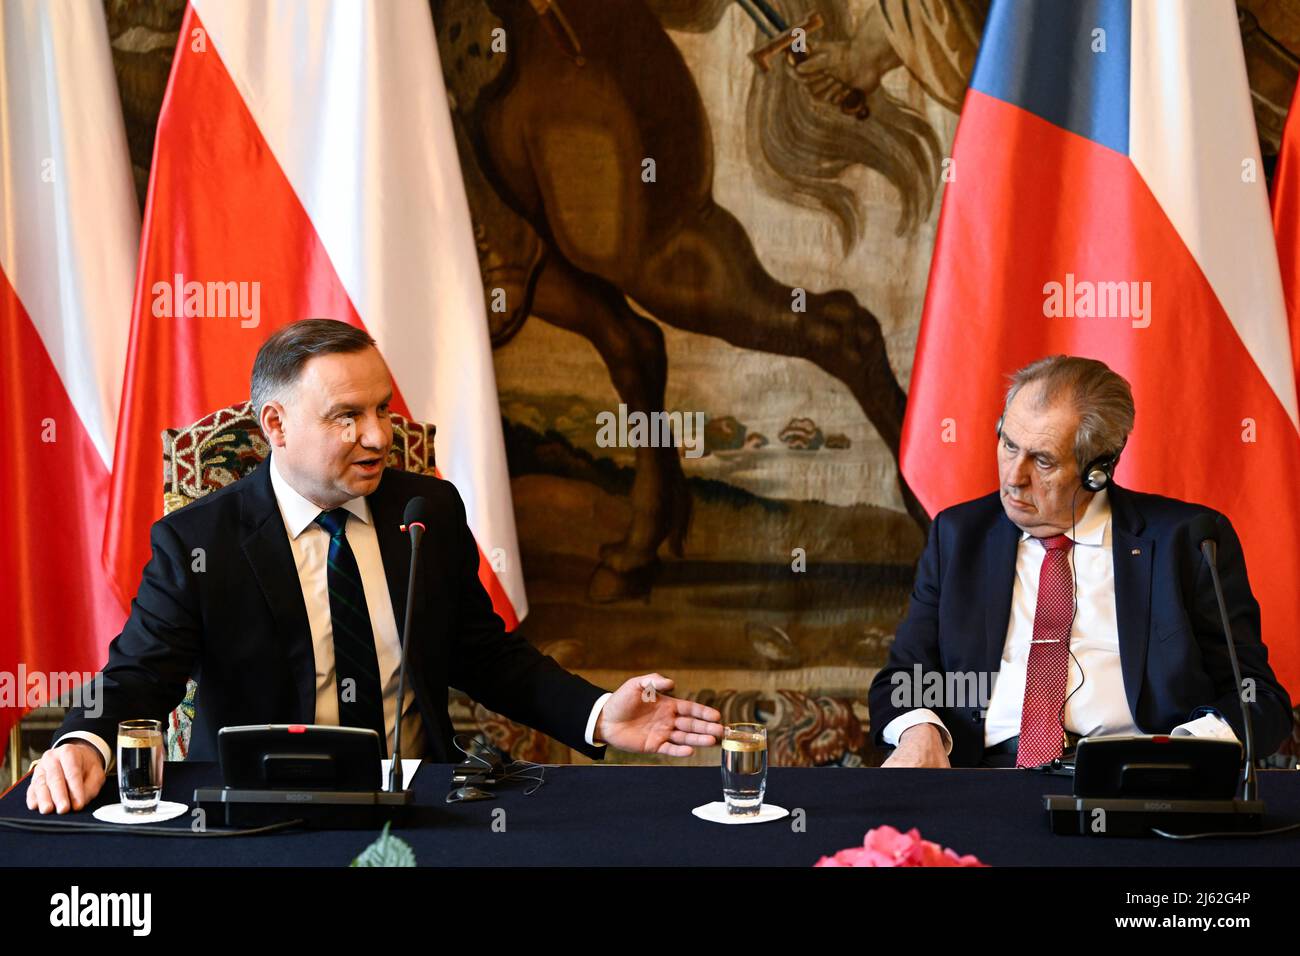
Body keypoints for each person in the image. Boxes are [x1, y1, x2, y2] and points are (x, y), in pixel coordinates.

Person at [28, 319, 723, 814]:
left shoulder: (427, 511)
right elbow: (139, 676)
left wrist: (599, 714)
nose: (379, 437)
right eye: (346, 416)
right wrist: (83, 740)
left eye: (383, 409)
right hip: (266, 812)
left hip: (421, 802)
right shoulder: (197, 543)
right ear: (276, 426)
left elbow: (483, 655)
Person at [869, 355, 1293, 769]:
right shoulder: (959, 536)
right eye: (1008, 444)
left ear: (1099, 469)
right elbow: (902, 679)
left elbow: (1257, 698)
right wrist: (918, 731)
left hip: (1132, 780)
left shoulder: (1187, 541)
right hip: (986, 777)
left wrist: (1180, 754)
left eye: (1043, 460)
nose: (1014, 477)